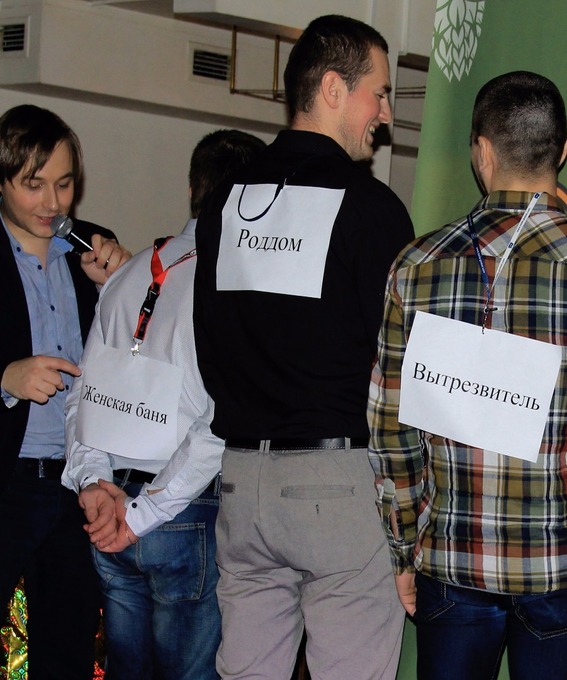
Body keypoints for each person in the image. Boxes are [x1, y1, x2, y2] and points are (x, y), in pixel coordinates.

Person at [193, 14, 414, 680]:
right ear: (332, 88)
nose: (385, 114)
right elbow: (397, 366)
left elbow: (208, 343)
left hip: (240, 483)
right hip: (334, 485)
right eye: (378, 92)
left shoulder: (225, 203)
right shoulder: (370, 207)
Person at [367, 70, 567, 680]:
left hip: (452, 561)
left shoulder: (416, 265)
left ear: (481, 151)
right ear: (563, 152)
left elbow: (391, 431)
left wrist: (403, 549)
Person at [62, 128, 267, 680]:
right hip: (180, 512)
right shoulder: (237, 285)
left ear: (193, 189)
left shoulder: (128, 273)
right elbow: (223, 420)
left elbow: (82, 396)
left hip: (111, 509)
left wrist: (94, 485)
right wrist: (142, 513)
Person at [0, 103, 131, 680]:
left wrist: (122, 290)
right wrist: (5, 378)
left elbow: (132, 364)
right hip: (7, 481)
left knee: (69, 652)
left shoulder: (90, 250)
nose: (52, 203)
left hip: (75, 484)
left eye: (64, 183)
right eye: (34, 185)